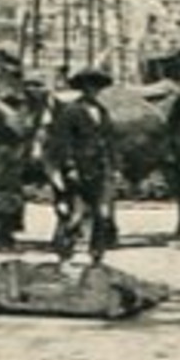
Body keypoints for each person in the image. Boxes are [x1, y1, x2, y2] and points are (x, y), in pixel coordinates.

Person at [46, 66, 117, 268]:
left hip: (100, 169)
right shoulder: (71, 112)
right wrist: (70, 167)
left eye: (96, 86)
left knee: (102, 214)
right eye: (88, 86)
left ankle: (97, 255)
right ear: (82, 88)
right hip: (79, 168)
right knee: (75, 215)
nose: (92, 90)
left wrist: (114, 167)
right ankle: (65, 254)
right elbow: (63, 142)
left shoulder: (103, 112)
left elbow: (110, 141)